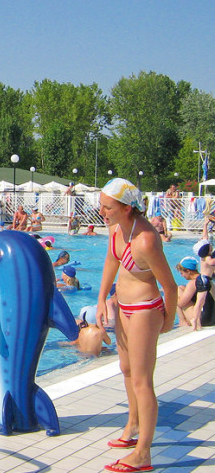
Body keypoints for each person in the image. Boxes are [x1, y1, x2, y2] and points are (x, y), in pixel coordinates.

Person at [96, 178, 177, 473]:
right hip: (124, 307)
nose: (102, 211)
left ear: (127, 208)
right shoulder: (116, 228)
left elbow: (170, 286)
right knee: (127, 370)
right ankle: (133, 422)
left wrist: (167, 321)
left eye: (107, 207)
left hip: (145, 310)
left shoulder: (147, 240)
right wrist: (102, 297)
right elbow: (110, 261)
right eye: (101, 205)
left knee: (143, 381)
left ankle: (143, 453)